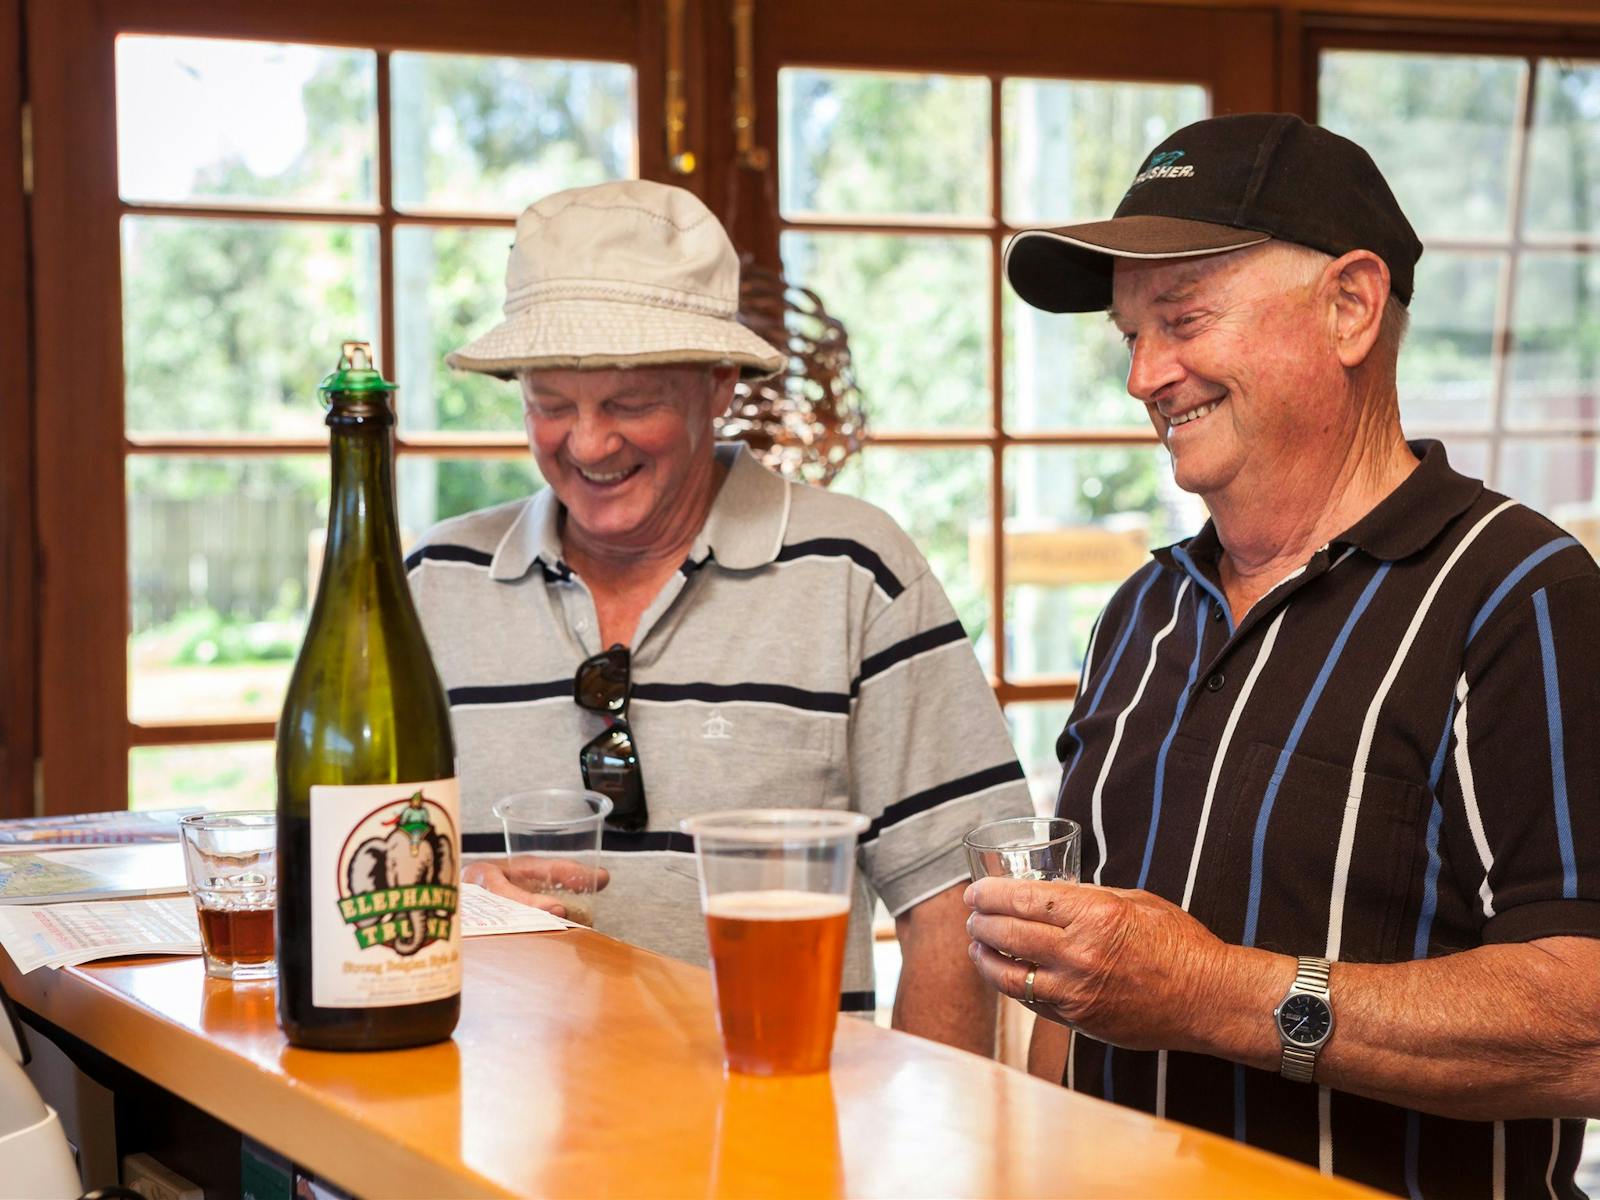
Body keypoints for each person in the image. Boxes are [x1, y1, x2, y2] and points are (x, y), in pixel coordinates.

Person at [970, 113, 1600, 1197]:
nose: (1143, 378)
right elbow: (1080, 1003)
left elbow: (1584, 1026)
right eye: (1130, 337)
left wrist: (1210, 990)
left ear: (1350, 307)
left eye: (1182, 320)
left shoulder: (1521, 596)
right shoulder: (1140, 613)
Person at [405, 178, 1031, 1054]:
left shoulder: (856, 569)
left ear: (721, 386)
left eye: (631, 403)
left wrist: (913, 1146)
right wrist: (453, 896)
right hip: (480, 1140)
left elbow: (962, 898)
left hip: (779, 1143)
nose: (588, 444)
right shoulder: (435, 580)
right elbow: (343, 873)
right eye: (550, 403)